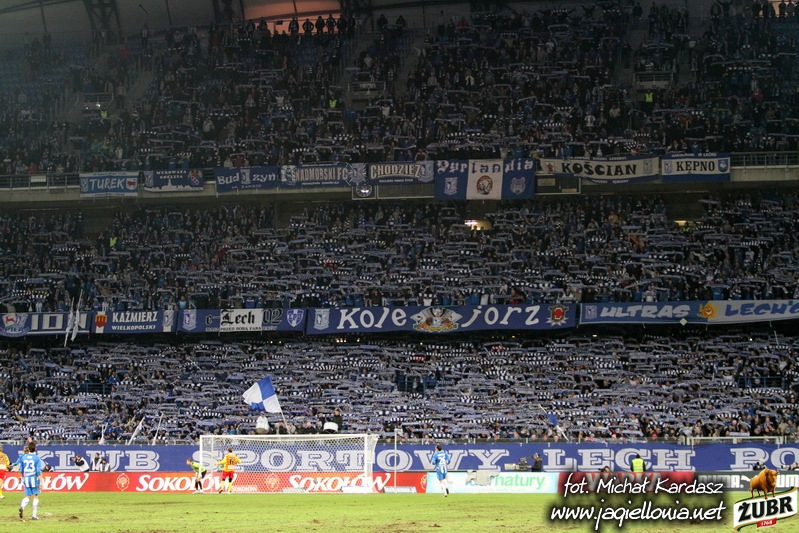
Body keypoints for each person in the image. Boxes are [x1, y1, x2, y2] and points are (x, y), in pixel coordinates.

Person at [18, 441, 44, 520]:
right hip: (34, 478)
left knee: (27, 496)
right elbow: (38, 470)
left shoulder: (24, 457)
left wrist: (21, 477)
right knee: (36, 495)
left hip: (26, 478)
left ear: (28, 449)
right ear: (35, 449)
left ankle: (22, 506)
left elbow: (21, 469)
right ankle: (34, 515)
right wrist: (41, 481)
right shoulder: (36, 458)